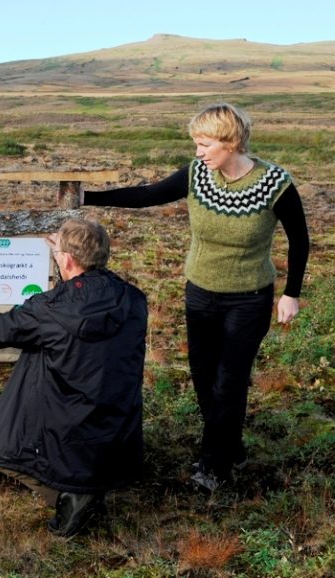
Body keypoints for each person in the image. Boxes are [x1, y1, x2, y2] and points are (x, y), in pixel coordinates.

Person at [83, 103, 310, 493]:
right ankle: (229, 444)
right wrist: (86, 198)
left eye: (205, 144)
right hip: (200, 293)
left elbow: (300, 239)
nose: (199, 152)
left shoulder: (275, 183)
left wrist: (291, 294)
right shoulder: (196, 176)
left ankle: (214, 466)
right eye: (196, 144)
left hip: (249, 298)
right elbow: (147, 195)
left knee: (230, 382)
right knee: (204, 379)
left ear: (231, 141)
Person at [0, 218, 147, 537]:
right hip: (118, 426)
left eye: (58, 252)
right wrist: (65, 255)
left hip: (67, 429)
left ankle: (71, 495)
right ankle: (88, 487)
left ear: (69, 259)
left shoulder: (49, 309)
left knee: (5, 441)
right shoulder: (133, 298)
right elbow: (84, 308)